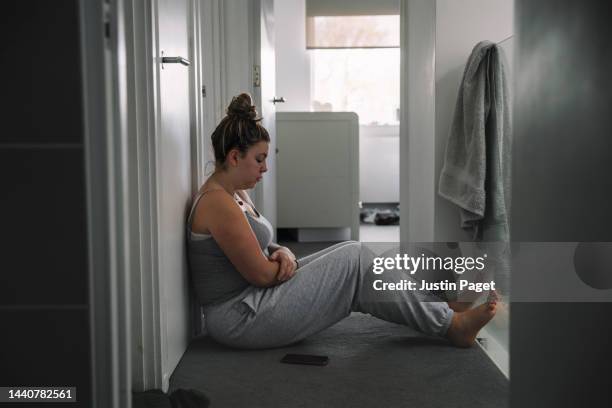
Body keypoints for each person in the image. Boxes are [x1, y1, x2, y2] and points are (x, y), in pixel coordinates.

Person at [187, 93, 497, 349]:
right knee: (355, 259)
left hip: (253, 301)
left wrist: (283, 251)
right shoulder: (217, 203)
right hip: (240, 317)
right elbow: (262, 275)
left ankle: (442, 314)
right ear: (234, 157)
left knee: (353, 251)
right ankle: (451, 325)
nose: (265, 168)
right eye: (259, 159)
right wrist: (283, 256)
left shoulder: (235, 193)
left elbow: (265, 247)